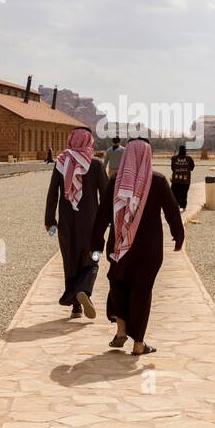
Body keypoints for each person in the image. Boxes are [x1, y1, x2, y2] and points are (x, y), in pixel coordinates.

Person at [91, 139, 184, 356]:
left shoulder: (116, 182)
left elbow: (102, 215)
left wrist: (95, 243)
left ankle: (121, 330)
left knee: (118, 284)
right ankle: (138, 344)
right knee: (142, 292)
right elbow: (172, 211)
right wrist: (178, 237)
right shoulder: (158, 181)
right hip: (148, 251)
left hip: (119, 247)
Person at [45, 128, 107, 318]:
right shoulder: (95, 165)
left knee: (70, 260)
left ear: (71, 140)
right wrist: (109, 221)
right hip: (90, 222)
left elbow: (53, 193)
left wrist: (50, 220)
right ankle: (84, 291)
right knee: (93, 259)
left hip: (65, 222)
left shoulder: (61, 162)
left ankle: (75, 306)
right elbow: (105, 194)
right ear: (89, 142)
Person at [169, 144, 194, 210]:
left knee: (174, 194)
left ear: (179, 151)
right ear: (185, 151)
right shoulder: (189, 158)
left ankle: (175, 206)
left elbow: (172, 168)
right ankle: (183, 207)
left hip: (176, 180)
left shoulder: (174, 158)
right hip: (185, 181)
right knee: (184, 194)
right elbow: (192, 168)